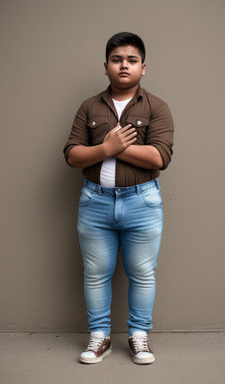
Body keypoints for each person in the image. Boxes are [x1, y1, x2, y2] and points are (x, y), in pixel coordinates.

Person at [63, 32, 174, 365]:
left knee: (142, 273)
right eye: (116, 59)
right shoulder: (89, 107)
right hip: (95, 202)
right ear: (106, 66)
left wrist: (116, 149)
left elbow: (160, 158)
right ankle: (100, 338)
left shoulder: (157, 107)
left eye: (131, 60)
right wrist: (105, 149)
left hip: (143, 202)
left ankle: (139, 336)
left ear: (143, 68)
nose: (123, 65)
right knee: (95, 273)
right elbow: (71, 154)